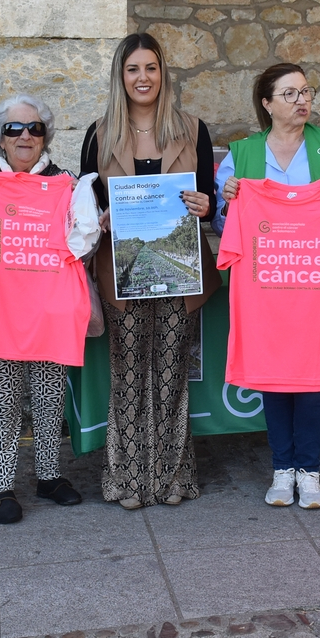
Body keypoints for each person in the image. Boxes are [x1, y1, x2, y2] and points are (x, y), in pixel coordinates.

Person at [215, 62, 320, 510]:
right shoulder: (242, 153)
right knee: (272, 378)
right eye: (289, 94)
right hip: (265, 291)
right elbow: (223, 221)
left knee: (314, 380)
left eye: (305, 92)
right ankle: (281, 470)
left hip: (317, 290)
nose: (301, 100)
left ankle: (309, 470)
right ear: (266, 103)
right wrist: (227, 200)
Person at [0, 94, 100, 524]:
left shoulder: (67, 183)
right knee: (3, 403)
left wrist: (89, 220)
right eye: (14, 129)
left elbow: (80, 247)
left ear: (45, 136)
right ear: (1, 139)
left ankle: (49, 477)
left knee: (49, 400)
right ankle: (2, 487)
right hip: (0, 313)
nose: (25, 135)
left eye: (34, 128)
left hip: (51, 311)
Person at [81, 33, 221, 510]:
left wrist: (206, 206)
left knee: (170, 372)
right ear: (121, 76)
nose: (143, 78)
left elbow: (209, 199)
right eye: (133, 69)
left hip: (180, 271)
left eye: (151, 68)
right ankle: (126, 481)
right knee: (128, 372)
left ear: (164, 74)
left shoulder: (192, 129)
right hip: (121, 271)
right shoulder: (99, 134)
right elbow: (86, 202)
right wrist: (97, 217)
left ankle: (171, 479)